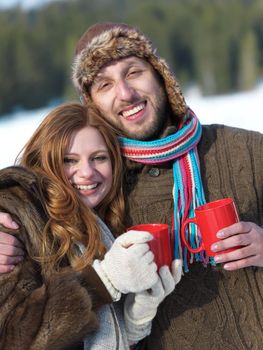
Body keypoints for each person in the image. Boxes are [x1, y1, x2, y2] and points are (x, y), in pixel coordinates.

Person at [1, 21, 263, 348]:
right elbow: (30, 194)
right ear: (92, 104)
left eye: (134, 72)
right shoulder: (95, 191)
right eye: (104, 84)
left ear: (160, 75)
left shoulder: (246, 150)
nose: (125, 93)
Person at [0, 102, 181, 350]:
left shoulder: (100, 221)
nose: (86, 172)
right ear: (45, 161)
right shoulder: (16, 216)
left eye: (99, 158)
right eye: (69, 160)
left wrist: (133, 323)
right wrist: (104, 281)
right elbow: (14, 339)